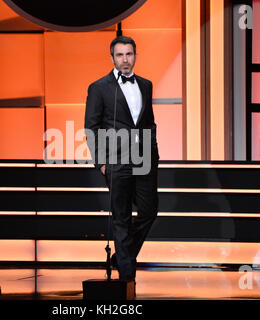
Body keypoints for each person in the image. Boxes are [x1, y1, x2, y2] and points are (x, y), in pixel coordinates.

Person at [85, 36, 159, 281]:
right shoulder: (99, 87)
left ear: (135, 55)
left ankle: (124, 255)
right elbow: (92, 127)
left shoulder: (146, 85)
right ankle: (127, 279)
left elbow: (149, 123)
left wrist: (153, 154)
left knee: (149, 211)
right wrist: (102, 162)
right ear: (112, 58)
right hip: (116, 161)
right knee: (121, 217)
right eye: (120, 55)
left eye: (129, 54)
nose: (125, 59)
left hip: (144, 160)